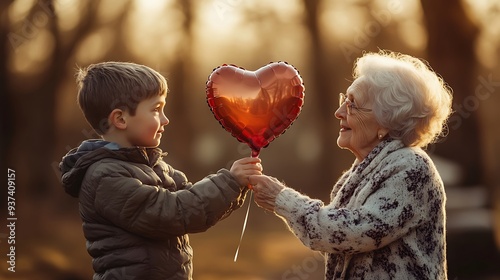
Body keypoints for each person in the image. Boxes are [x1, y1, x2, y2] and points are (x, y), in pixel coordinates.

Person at [249, 50, 452, 279]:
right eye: (343, 101)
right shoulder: (354, 177)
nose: (339, 112)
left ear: (386, 120)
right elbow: (331, 238)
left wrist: (282, 199)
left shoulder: (412, 169)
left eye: (352, 104)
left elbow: (352, 232)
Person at [59, 61, 262, 280]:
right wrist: (229, 182)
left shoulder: (153, 165)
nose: (165, 119)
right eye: (156, 110)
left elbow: (192, 202)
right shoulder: (104, 176)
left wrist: (237, 184)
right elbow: (173, 213)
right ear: (120, 119)